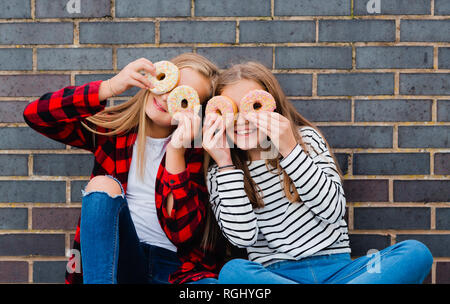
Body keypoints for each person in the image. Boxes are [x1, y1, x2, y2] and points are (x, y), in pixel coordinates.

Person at [202, 61, 433, 284]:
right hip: (276, 275)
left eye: (252, 107)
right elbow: (242, 237)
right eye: (230, 109)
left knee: (415, 252)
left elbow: (333, 211)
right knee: (233, 272)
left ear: (273, 106)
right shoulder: (221, 173)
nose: (242, 120)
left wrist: (290, 150)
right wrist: (225, 164)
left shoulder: (306, 141)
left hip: (340, 270)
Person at [23, 53, 223, 284]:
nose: (168, 98)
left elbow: (184, 233)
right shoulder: (112, 133)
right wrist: (109, 86)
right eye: (168, 84)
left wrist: (176, 152)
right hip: (116, 261)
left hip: (177, 270)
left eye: (183, 99)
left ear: (197, 113)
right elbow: (36, 116)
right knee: (101, 184)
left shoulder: (201, 153)